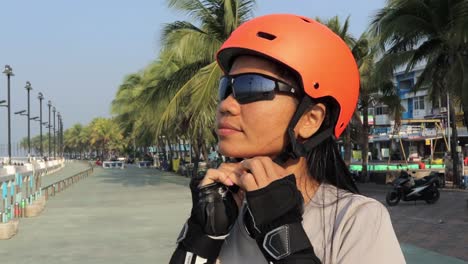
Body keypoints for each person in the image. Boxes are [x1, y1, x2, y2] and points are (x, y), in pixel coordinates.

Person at [170, 14, 405, 264]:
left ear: (310, 120)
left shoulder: (355, 219)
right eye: (226, 88)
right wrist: (201, 237)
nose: (226, 105)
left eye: (252, 87)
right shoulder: (226, 215)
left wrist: (283, 232)